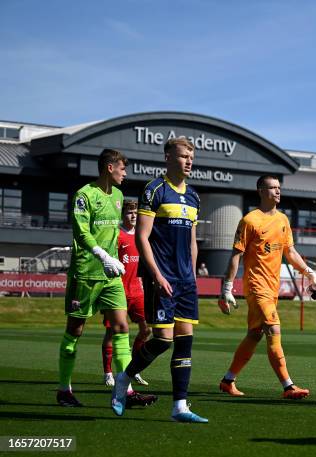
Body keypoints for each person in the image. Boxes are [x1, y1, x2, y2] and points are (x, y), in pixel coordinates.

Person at [112, 138, 206, 423]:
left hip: (185, 281)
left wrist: (190, 274)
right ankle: (123, 379)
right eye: (183, 156)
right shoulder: (154, 190)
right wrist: (156, 274)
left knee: (185, 341)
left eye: (191, 156)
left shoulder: (194, 197)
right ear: (168, 157)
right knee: (163, 340)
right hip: (160, 278)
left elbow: (191, 241)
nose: (189, 161)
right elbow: (142, 236)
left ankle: (180, 407)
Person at [218, 175, 316, 399]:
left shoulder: (282, 220)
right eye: (272, 188)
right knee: (273, 330)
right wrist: (227, 287)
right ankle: (288, 386)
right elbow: (236, 255)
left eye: (279, 188)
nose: (278, 192)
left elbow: (290, 253)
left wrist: (311, 275)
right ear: (261, 191)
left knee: (254, 335)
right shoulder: (250, 220)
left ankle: (227, 380)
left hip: (272, 289)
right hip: (255, 285)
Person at [58, 149, 156, 409]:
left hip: (111, 275)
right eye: (123, 168)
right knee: (74, 331)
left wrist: (112, 261)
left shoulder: (120, 196)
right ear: (110, 168)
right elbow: (81, 232)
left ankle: (128, 391)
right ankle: (64, 389)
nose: (125, 174)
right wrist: (102, 256)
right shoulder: (84, 195)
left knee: (122, 327)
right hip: (86, 273)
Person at [101, 200, 150, 387]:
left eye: (136, 212)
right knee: (112, 332)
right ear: (123, 214)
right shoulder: (117, 235)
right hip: (117, 291)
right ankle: (107, 372)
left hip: (138, 292)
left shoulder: (142, 236)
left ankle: (134, 369)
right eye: (130, 212)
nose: (133, 215)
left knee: (147, 330)